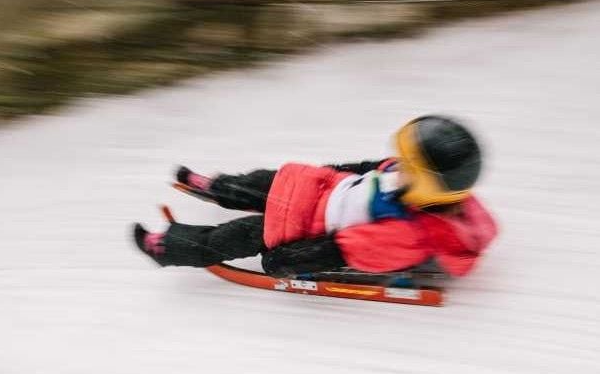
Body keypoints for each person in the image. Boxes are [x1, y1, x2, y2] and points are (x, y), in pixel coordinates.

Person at [132, 115, 498, 277]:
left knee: (236, 235)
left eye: (407, 165)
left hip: (307, 226)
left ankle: (169, 247)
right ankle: (218, 186)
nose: (397, 165)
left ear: (425, 184)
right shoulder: (402, 176)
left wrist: (284, 262)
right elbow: (366, 167)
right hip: (320, 191)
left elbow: (342, 249)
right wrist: (326, 174)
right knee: (259, 181)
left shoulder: (408, 233)